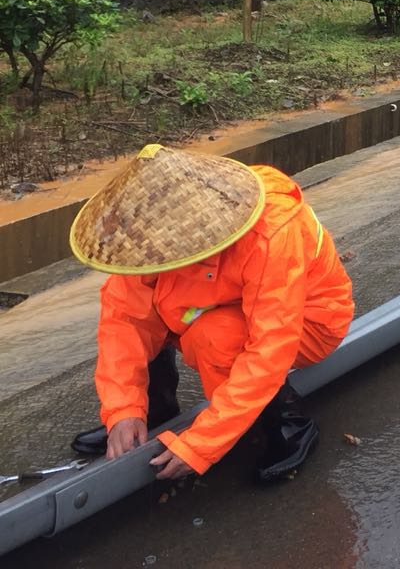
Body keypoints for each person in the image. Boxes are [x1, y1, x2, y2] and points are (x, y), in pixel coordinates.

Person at [69, 144, 354, 482]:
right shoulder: (143, 240)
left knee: (213, 336)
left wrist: (203, 444)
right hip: (223, 302)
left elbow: (271, 346)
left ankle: (287, 425)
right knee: (151, 309)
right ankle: (152, 414)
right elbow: (125, 321)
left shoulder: (272, 233)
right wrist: (123, 409)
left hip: (311, 319)